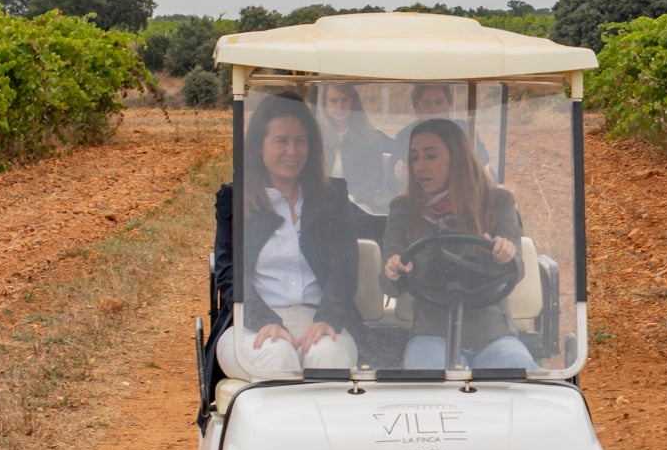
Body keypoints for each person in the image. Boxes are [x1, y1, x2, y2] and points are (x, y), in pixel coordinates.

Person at [213, 94, 360, 380]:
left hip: (318, 316)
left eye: (300, 140)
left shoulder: (331, 197)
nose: (292, 151)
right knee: (275, 353)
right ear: (259, 145)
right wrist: (265, 320)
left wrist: (327, 317)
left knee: (326, 354)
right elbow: (229, 272)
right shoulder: (237, 200)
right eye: (281, 140)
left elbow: (346, 265)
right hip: (252, 320)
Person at [381, 117, 535, 375]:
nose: (420, 166)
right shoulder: (403, 209)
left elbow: (516, 266)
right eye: (415, 157)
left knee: (517, 367)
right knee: (427, 372)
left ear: (457, 159)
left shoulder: (497, 202)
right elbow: (388, 285)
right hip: (432, 333)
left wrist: (505, 255)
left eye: (431, 156)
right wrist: (393, 271)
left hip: (491, 334)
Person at [313, 81, 391, 209]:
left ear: (353, 103)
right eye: (333, 101)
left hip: (358, 204)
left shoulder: (370, 138)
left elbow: (373, 179)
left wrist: (352, 198)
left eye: (345, 100)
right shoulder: (314, 137)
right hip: (321, 204)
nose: (340, 106)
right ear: (325, 104)